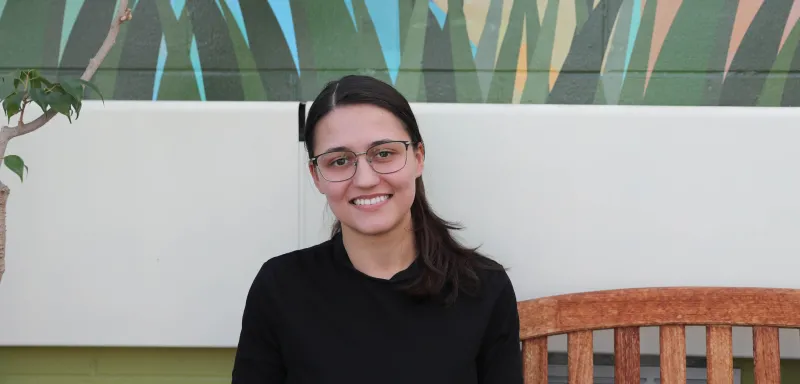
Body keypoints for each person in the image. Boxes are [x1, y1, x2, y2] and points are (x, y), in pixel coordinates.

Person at [231, 75, 524, 384]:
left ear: (418, 158)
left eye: (384, 154)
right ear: (316, 176)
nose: (365, 179)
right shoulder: (280, 288)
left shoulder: (482, 288)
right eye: (339, 160)